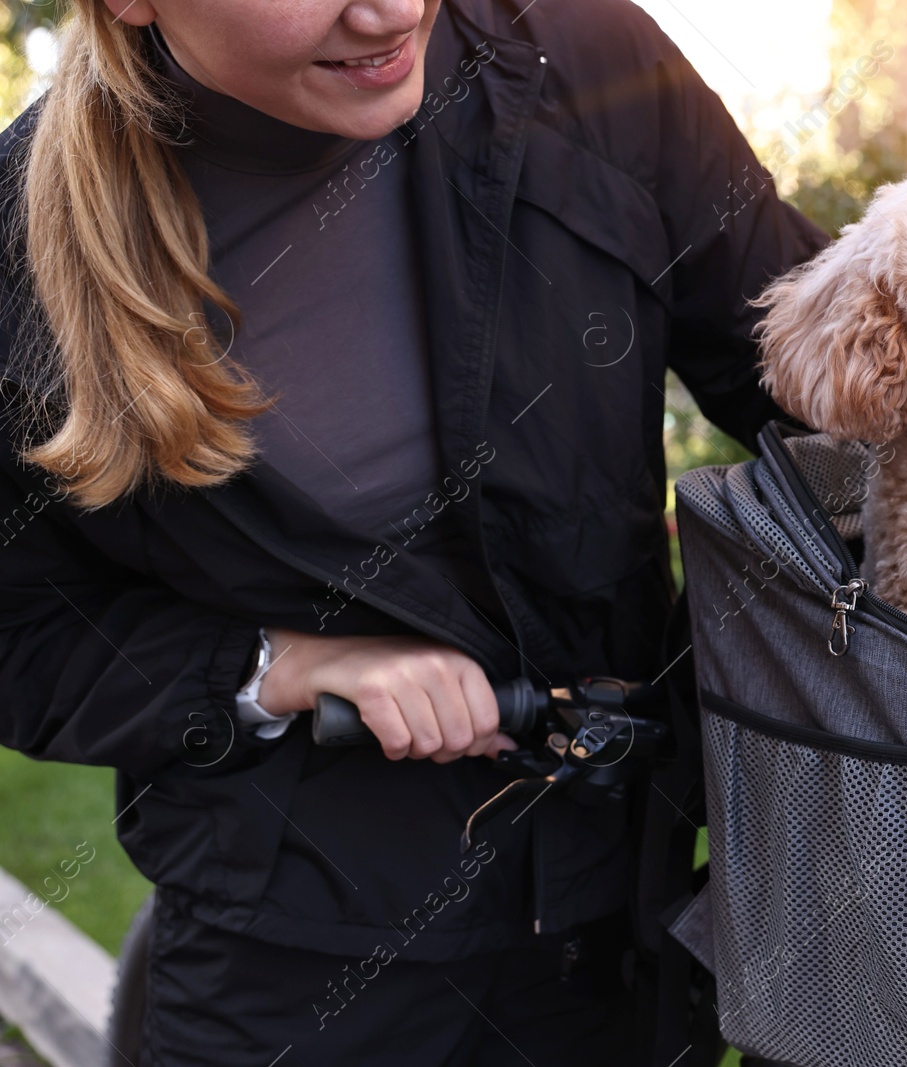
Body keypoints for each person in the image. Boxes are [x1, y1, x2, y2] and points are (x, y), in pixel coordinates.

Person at [0, 0, 826, 1063]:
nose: (388, 12)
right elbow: (20, 632)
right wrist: (273, 666)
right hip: (294, 979)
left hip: (619, 931)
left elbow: (826, 384)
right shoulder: (19, 249)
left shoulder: (581, 56)